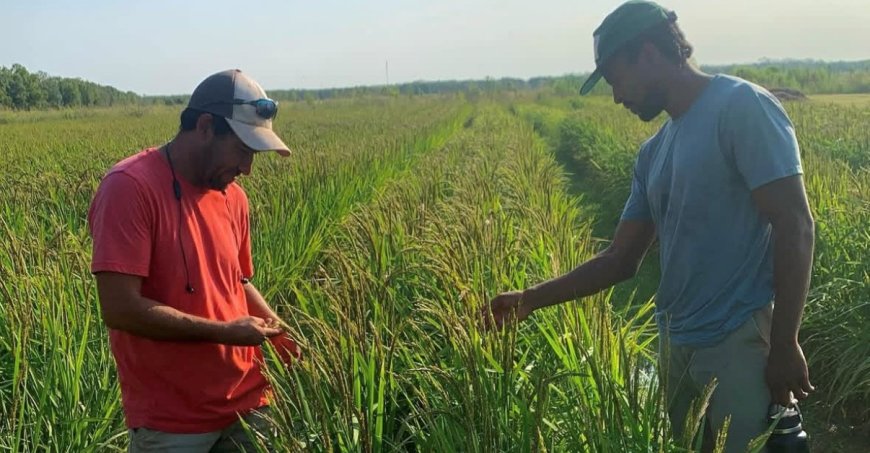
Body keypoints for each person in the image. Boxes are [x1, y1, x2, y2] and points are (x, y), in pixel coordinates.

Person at [483, 2, 815, 451]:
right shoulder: (653, 152)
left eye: (616, 77)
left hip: (737, 342)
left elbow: (794, 223)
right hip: (676, 344)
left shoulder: (741, 107)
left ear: (648, 53)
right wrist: (528, 299)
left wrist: (785, 342)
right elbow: (620, 259)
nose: (617, 96)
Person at [88, 69, 301, 452]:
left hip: (249, 403)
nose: (247, 169)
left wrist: (282, 334)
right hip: (173, 422)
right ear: (205, 126)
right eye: (242, 150)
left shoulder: (233, 197)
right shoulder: (130, 187)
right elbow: (120, 308)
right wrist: (224, 332)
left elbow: (238, 281)